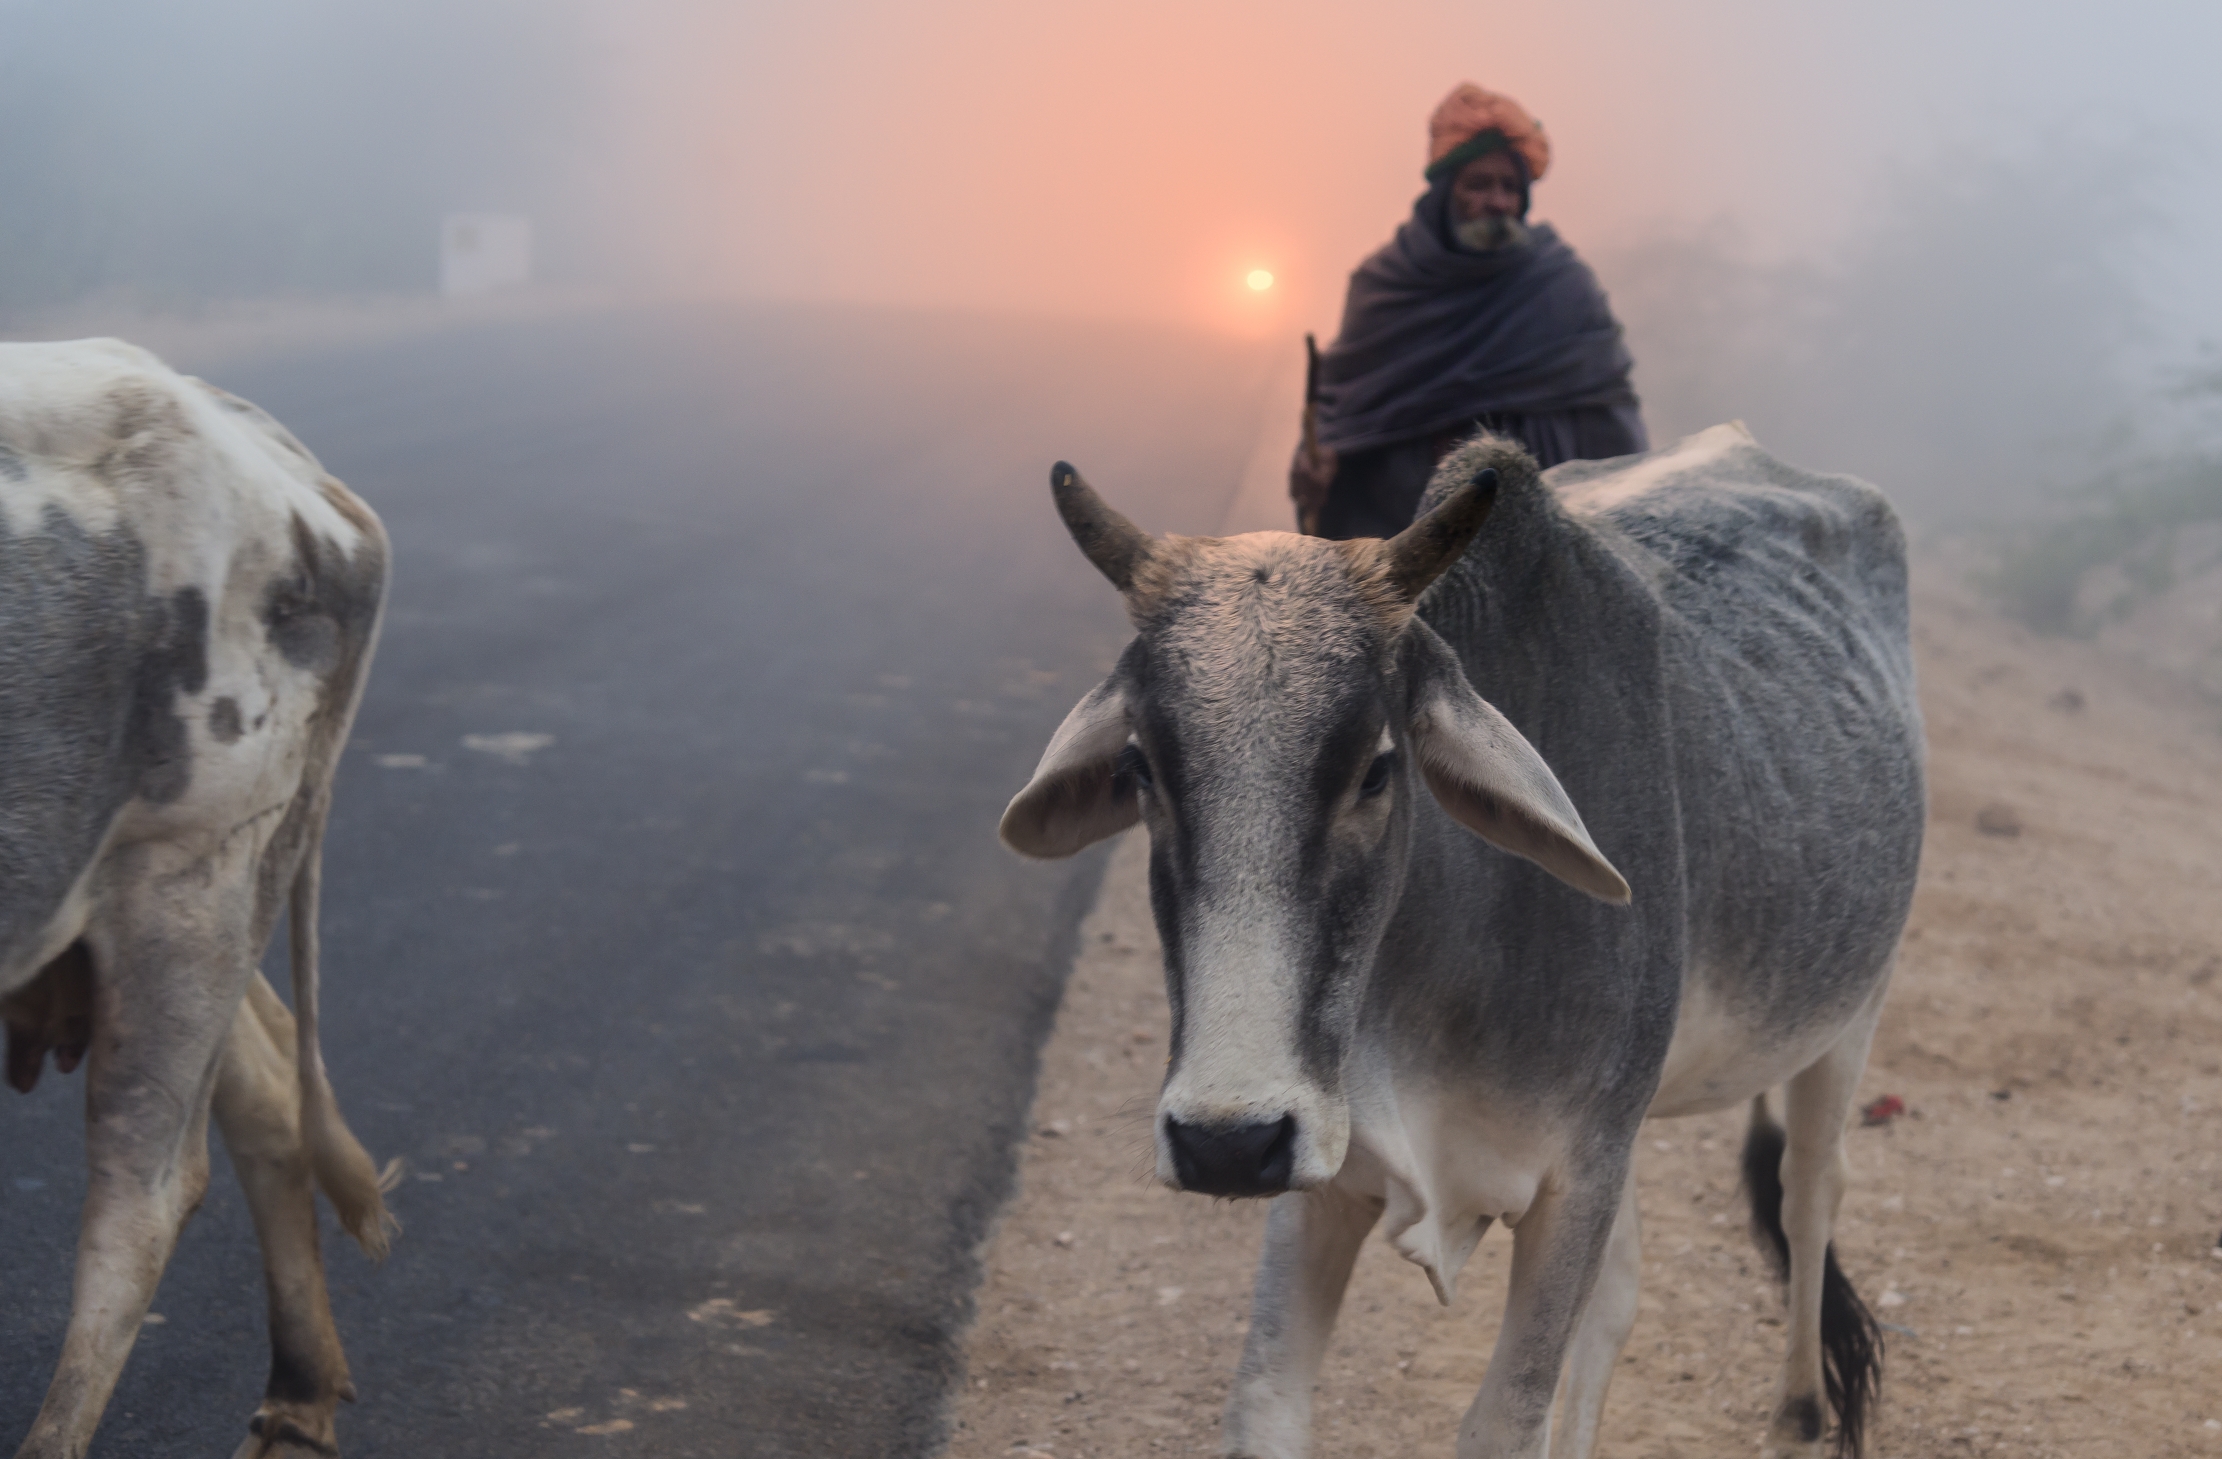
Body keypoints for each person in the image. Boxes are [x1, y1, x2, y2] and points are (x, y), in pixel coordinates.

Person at [1292, 83, 1648, 539]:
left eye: (1510, 187)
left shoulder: (1562, 284)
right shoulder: (1385, 286)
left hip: (1545, 545)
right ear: (1444, 197)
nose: (1498, 202)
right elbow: (1340, 418)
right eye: (1478, 184)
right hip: (1406, 544)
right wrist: (1316, 467)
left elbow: (1615, 426)